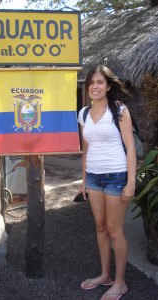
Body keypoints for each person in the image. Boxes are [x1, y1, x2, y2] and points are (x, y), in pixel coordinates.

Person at [78, 65, 136, 300]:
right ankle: (105, 275)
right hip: (93, 177)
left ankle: (120, 282)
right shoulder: (83, 114)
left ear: (109, 86)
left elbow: (130, 146)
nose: (95, 86)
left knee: (114, 229)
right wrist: (84, 180)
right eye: (91, 82)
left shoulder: (120, 111)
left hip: (115, 176)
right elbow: (85, 149)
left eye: (100, 82)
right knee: (100, 226)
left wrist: (131, 181)